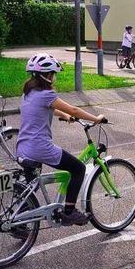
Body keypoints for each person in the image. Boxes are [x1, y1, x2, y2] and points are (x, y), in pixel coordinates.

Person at [16, 53, 105, 226]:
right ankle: (69, 212)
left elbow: (45, 109)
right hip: (40, 147)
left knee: (31, 186)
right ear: (48, 76)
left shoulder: (28, 92)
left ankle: (18, 222)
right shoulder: (47, 94)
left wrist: (63, 115)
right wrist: (96, 118)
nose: (54, 78)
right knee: (78, 169)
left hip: (22, 147)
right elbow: (75, 109)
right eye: (54, 74)